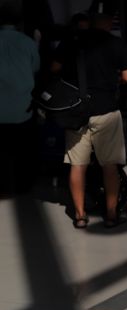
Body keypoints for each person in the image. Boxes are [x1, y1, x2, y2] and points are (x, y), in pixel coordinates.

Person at [52, 13, 127, 228]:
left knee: (77, 165)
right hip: (106, 110)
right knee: (109, 166)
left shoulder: (72, 41)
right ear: (107, 24)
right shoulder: (115, 43)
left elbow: (54, 69)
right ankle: (111, 214)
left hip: (76, 112)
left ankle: (80, 215)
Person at [0, 3, 40, 196]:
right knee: (23, 151)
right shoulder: (28, 43)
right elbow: (34, 69)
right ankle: (22, 185)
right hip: (22, 109)